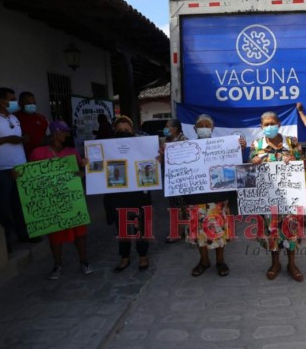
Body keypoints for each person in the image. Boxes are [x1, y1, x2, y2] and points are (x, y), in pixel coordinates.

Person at [29, 121, 93, 279]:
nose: (67, 135)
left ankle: (84, 261)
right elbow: (30, 176)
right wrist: (17, 175)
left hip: (72, 199)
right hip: (52, 201)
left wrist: (84, 169)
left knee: (80, 233)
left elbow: (80, 173)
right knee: (55, 235)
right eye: (64, 132)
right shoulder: (38, 153)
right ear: (55, 133)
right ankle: (57, 265)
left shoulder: (72, 153)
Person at [185, 114, 245, 277]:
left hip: (217, 198)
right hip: (195, 198)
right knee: (199, 232)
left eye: (207, 125)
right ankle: (203, 260)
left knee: (219, 231)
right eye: (200, 125)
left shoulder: (223, 146)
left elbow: (236, 165)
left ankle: (220, 260)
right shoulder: (186, 147)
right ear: (195, 128)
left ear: (212, 128)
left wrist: (241, 148)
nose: (204, 127)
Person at [250, 111, 304, 282]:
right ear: (261, 127)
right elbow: (250, 169)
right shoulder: (256, 145)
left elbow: (302, 164)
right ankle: (275, 263)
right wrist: (254, 162)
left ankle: (292, 264)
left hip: (290, 197)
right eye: (266, 124)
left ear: (279, 124)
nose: (269, 127)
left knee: (291, 229)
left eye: (272, 123)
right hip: (268, 198)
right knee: (272, 230)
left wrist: (294, 159)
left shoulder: (291, 142)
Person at [103, 116, 152, 272]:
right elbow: (97, 166)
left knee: (141, 226)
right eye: (120, 130)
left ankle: (143, 255)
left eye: (127, 130)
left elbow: (152, 162)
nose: (123, 132)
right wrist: (88, 162)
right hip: (118, 194)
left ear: (132, 130)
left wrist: (158, 158)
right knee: (122, 227)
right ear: (114, 131)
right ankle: (125, 256)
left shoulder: (143, 145)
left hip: (139, 193)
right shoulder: (106, 148)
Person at [0, 87, 29, 251]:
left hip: (19, 166)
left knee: (21, 203)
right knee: (2, 205)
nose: (14, 102)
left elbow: (15, 138)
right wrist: (7, 139)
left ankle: (23, 233)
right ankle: (5, 240)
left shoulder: (14, 118)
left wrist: (22, 139)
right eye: (11, 99)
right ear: (1, 101)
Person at [160, 118, 188, 243]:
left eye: (167, 126)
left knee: (184, 206)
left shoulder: (184, 141)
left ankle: (187, 231)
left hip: (183, 178)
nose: (165, 129)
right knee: (174, 206)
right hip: (170, 179)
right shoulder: (164, 141)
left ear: (175, 129)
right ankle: (177, 232)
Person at [15, 91, 49, 159]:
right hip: (21, 157)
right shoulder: (14, 118)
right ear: (20, 104)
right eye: (28, 103)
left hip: (41, 156)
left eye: (34, 103)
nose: (32, 105)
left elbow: (49, 136)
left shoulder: (42, 118)